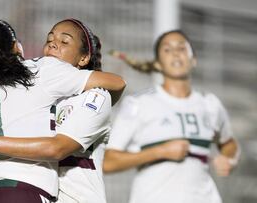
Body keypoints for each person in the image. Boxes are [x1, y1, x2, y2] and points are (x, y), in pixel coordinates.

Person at [0, 19, 125, 203]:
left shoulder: (94, 97)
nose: (53, 43)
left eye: (64, 42)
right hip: (25, 190)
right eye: (49, 40)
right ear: (17, 47)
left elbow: (58, 148)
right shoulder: (40, 80)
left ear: (84, 58)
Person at [103, 30, 240, 203]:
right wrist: (160, 151)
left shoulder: (210, 104)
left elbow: (229, 144)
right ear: (158, 64)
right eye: (167, 49)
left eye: (182, 48)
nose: (175, 53)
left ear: (194, 60)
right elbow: (107, 162)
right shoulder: (139, 103)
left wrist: (229, 160)